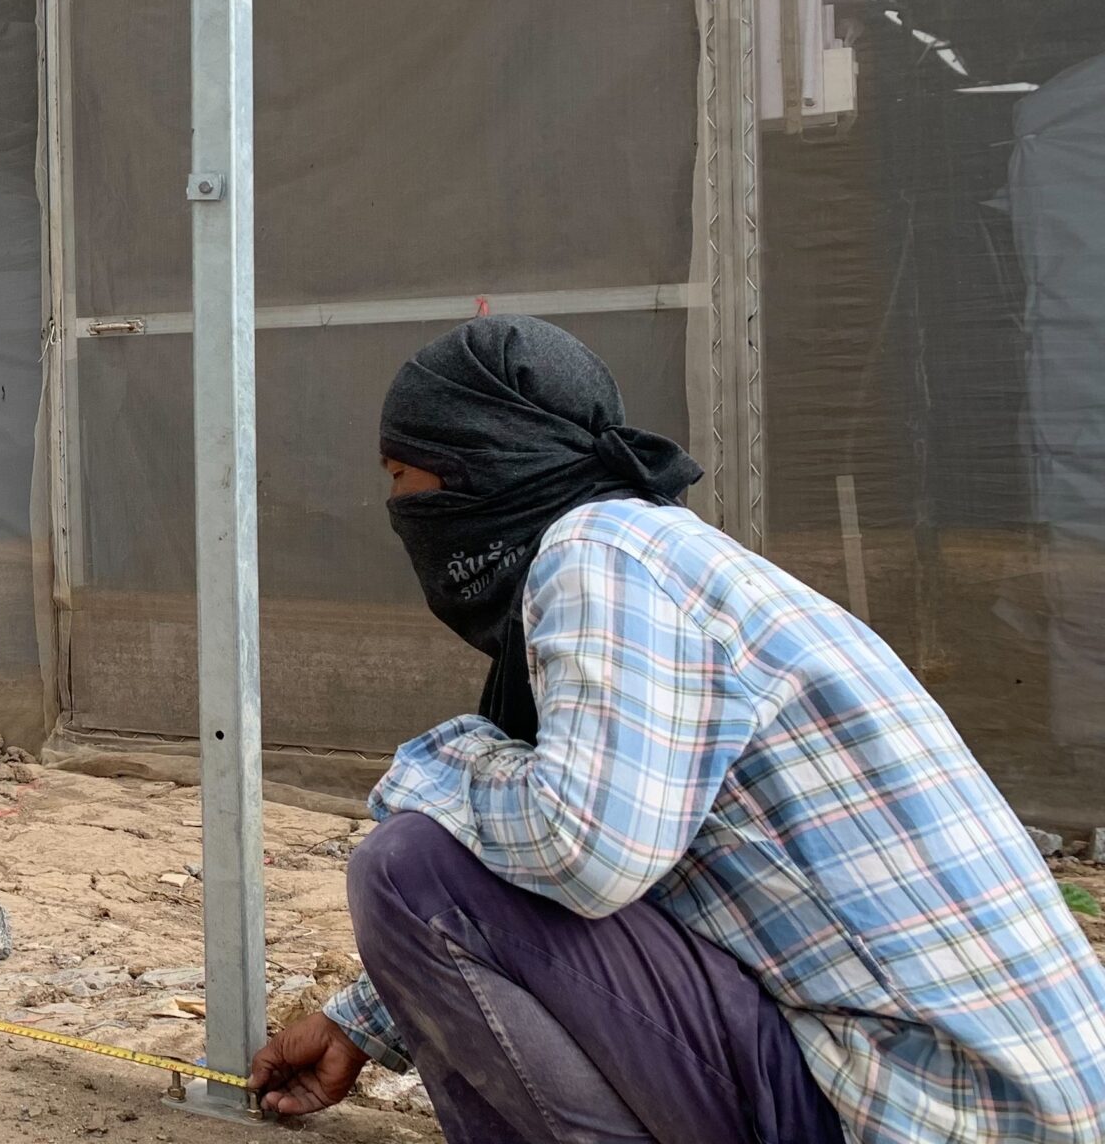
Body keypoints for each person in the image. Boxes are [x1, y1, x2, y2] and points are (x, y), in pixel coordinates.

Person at [250, 316, 1105, 1142]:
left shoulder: (599, 553)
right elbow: (612, 872)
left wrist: (436, 765)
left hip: (918, 1110)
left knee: (410, 865)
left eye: (402, 473)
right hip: (998, 1101)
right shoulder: (666, 555)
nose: (395, 503)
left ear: (477, 465)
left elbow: (584, 854)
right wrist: (362, 1020)